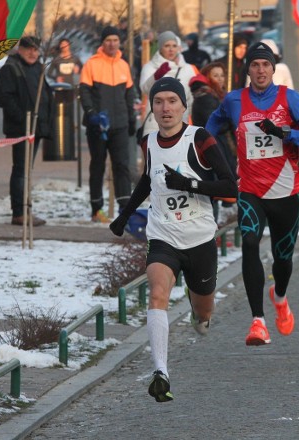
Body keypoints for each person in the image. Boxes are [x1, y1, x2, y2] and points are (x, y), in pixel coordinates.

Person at [108, 77, 237, 402]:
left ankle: (201, 315)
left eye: (172, 101)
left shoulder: (200, 138)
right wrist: (125, 214)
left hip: (199, 236)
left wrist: (190, 185)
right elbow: (149, 180)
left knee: (203, 308)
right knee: (157, 295)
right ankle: (161, 371)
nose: (166, 108)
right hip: (163, 234)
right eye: (159, 101)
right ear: (152, 107)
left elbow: (230, 187)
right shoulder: (148, 141)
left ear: (184, 106)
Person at [206, 41, 299, 346]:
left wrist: (286, 133)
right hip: (249, 189)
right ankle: (257, 322)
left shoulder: (289, 99)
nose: (260, 70)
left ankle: (280, 296)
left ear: (274, 68)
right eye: (255, 65)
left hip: (286, 191)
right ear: (247, 69)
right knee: (249, 242)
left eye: (266, 65)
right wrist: (209, 155)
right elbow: (210, 127)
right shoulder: (235, 101)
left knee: (282, 259)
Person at [79, 25, 136, 222]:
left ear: (120, 42)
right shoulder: (91, 64)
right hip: (98, 125)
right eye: (108, 40)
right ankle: (97, 210)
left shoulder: (123, 65)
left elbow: (130, 94)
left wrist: (131, 117)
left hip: (119, 125)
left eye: (115, 40)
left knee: (122, 166)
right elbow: (84, 93)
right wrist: (91, 113)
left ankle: (125, 209)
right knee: (98, 166)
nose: (112, 44)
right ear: (102, 43)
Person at [0, 36, 53, 227]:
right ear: (20, 49)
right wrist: (23, 119)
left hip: (35, 128)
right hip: (21, 128)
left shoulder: (38, 68)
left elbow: (45, 94)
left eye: (36, 50)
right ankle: (19, 213)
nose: (33, 53)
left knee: (26, 170)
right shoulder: (11, 68)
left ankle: (25, 209)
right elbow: (4, 98)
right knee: (21, 170)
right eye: (29, 49)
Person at [189, 63, 237, 225]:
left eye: (221, 75)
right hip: (212, 149)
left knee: (215, 191)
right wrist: (231, 119)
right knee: (213, 191)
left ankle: (212, 231)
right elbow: (216, 124)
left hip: (218, 146)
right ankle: (211, 232)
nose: (220, 79)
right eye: (215, 75)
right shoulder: (205, 97)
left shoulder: (215, 95)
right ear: (208, 77)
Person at [139, 31, 198, 137]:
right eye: (167, 46)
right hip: (155, 123)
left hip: (181, 123)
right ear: (160, 47)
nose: (171, 49)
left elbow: (191, 97)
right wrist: (155, 77)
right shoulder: (150, 67)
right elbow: (144, 89)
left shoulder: (188, 68)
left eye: (174, 46)